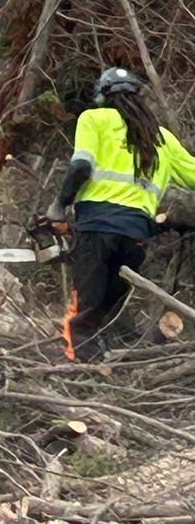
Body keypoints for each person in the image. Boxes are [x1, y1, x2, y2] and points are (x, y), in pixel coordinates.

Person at [45, 66, 195, 361]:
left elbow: (80, 167)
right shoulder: (161, 137)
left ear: (103, 95)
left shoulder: (93, 119)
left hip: (96, 227)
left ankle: (80, 370)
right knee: (110, 308)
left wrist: (59, 205)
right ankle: (109, 363)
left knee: (86, 306)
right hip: (135, 236)